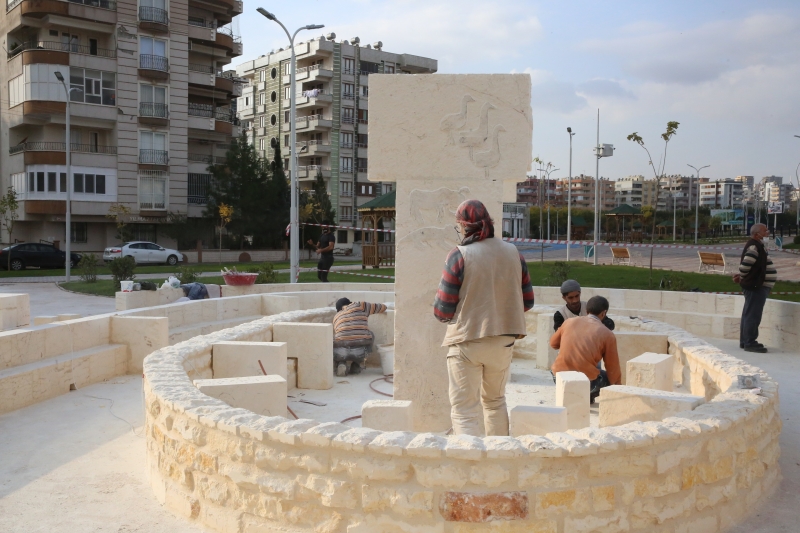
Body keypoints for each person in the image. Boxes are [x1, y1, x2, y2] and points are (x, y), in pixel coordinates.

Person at [433, 199, 535, 437]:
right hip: (503, 342)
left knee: (464, 410)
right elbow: (527, 301)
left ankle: (469, 458)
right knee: (495, 402)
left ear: (463, 225)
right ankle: (498, 455)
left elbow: (442, 310)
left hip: (467, 341)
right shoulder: (514, 253)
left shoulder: (459, 255)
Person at [550, 296, 621, 403]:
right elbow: (613, 367)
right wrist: (618, 388)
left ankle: (579, 396)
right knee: (606, 377)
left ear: (587, 311)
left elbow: (553, 344)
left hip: (558, 376)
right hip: (587, 382)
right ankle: (587, 396)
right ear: (604, 313)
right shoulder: (607, 334)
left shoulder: (569, 322)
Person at [732, 223, 777, 353]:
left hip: (756, 286)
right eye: (765, 231)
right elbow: (745, 266)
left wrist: (743, 277)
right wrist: (743, 277)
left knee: (749, 314)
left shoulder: (758, 245)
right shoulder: (754, 246)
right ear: (757, 235)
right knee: (753, 315)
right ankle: (750, 342)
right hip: (756, 287)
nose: (768, 233)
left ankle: (745, 341)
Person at [332, 297, 388, 375]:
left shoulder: (336, 316)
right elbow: (383, 307)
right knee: (370, 334)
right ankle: (356, 365)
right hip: (360, 353)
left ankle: (341, 363)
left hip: (340, 353)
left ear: (339, 309)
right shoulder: (361, 306)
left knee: (337, 338)